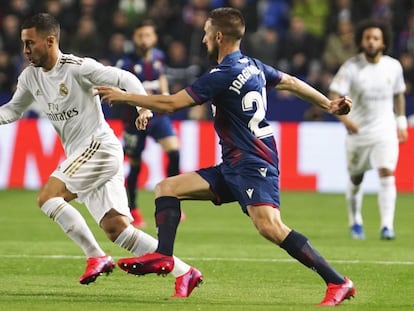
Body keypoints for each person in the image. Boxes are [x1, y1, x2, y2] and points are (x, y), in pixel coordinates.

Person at [97, 7, 355, 306]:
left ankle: (338, 282)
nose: (204, 38)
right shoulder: (253, 65)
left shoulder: (221, 75)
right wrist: (328, 104)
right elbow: (291, 82)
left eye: (206, 33)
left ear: (218, 36)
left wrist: (125, 96)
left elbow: (170, 103)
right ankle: (165, 256)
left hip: (253, 162)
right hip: (233, 163)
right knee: (167, 188)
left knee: (270, 227)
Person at [0, 13, 202, 298]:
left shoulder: (78, 68)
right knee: (117, 229)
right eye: (23, 44)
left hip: (98, 146)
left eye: (30, 43)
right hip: (85, 155)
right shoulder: (30, 77)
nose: (25, 51)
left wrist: (143, 108)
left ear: (50, 40)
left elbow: (126, 77)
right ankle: (185, 271)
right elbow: (12, 110)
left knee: (48, 197)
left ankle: (95, 256)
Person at [328, 19, 408, 240]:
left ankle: (386, 226)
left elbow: (399, 94)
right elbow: (334, 95)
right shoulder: (352, 67)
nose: (371, 42)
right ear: (361, 41)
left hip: (385, 129)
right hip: (358, 132)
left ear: (383, 43)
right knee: (356, 178)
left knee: (387, 173)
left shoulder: (393, 66)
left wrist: (401, 121)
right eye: (367, 38)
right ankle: (355, 221)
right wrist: (347, 121)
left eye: (376, 38)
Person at [114, 19, 181, 228]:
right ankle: (132, 207)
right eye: (140, 35)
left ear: (155, 38)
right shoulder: (125, 63)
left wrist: (165, 94)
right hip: (135, 120)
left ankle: (171, 200)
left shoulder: (159, 57)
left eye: (148, 35)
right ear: (134, 38)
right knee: (134, 165)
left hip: (158, 117)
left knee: (174, 152)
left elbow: (161, 77)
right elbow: (120, 91)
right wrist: (140, 98)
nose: (144, 39)